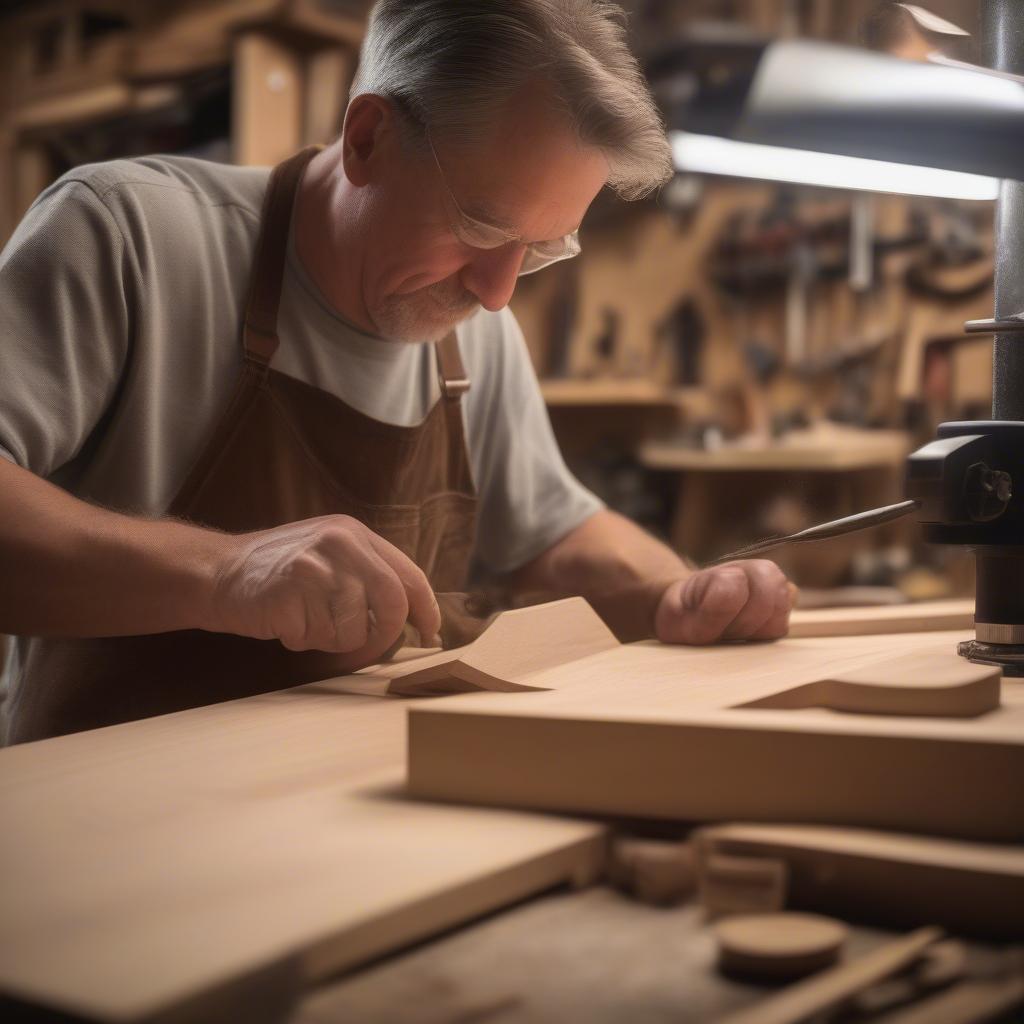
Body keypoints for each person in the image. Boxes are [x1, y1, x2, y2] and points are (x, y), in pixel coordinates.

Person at [0, 0, 794, 745]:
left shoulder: (474, 333)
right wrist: (225, 571)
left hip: (349, 809)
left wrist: (681, 591)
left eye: (544, 249)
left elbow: (557, 534)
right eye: (480, 227)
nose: (497, 293)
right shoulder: (128, 233)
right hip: (104, 820)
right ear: (369, 137)